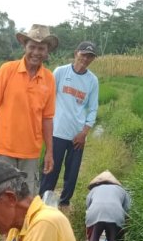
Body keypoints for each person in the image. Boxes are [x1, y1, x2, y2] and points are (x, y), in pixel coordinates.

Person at [0, 24, 58, 194]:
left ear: (47, 51)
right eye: (32, 47)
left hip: (30, 151)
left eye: (41, 48)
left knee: (27, 199)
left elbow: (47, 117)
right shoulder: (7, 70)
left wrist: (49, 152)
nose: (36, 52)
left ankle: (26, 222)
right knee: (3, 199)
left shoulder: (49, 79)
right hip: (3, 149)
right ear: (25, 46)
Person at [39, 41, 100, 209]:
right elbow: (47, 97)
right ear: (76, 53)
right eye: (84, 54)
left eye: (90, 56)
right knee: (50, 169)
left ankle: (64, 203)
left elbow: (93, 109)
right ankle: (43, 203)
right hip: (57, 132)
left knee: (71, 174)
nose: (86, 59)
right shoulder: (60, 72)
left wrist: (84, 133)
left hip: (77, 135)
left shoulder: (92, 81)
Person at [84, 170, 130, 241]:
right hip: (115, 215)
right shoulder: (121, 191)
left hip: (95, 214)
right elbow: (127, 210)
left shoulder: (94, 190)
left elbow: (88, 206)